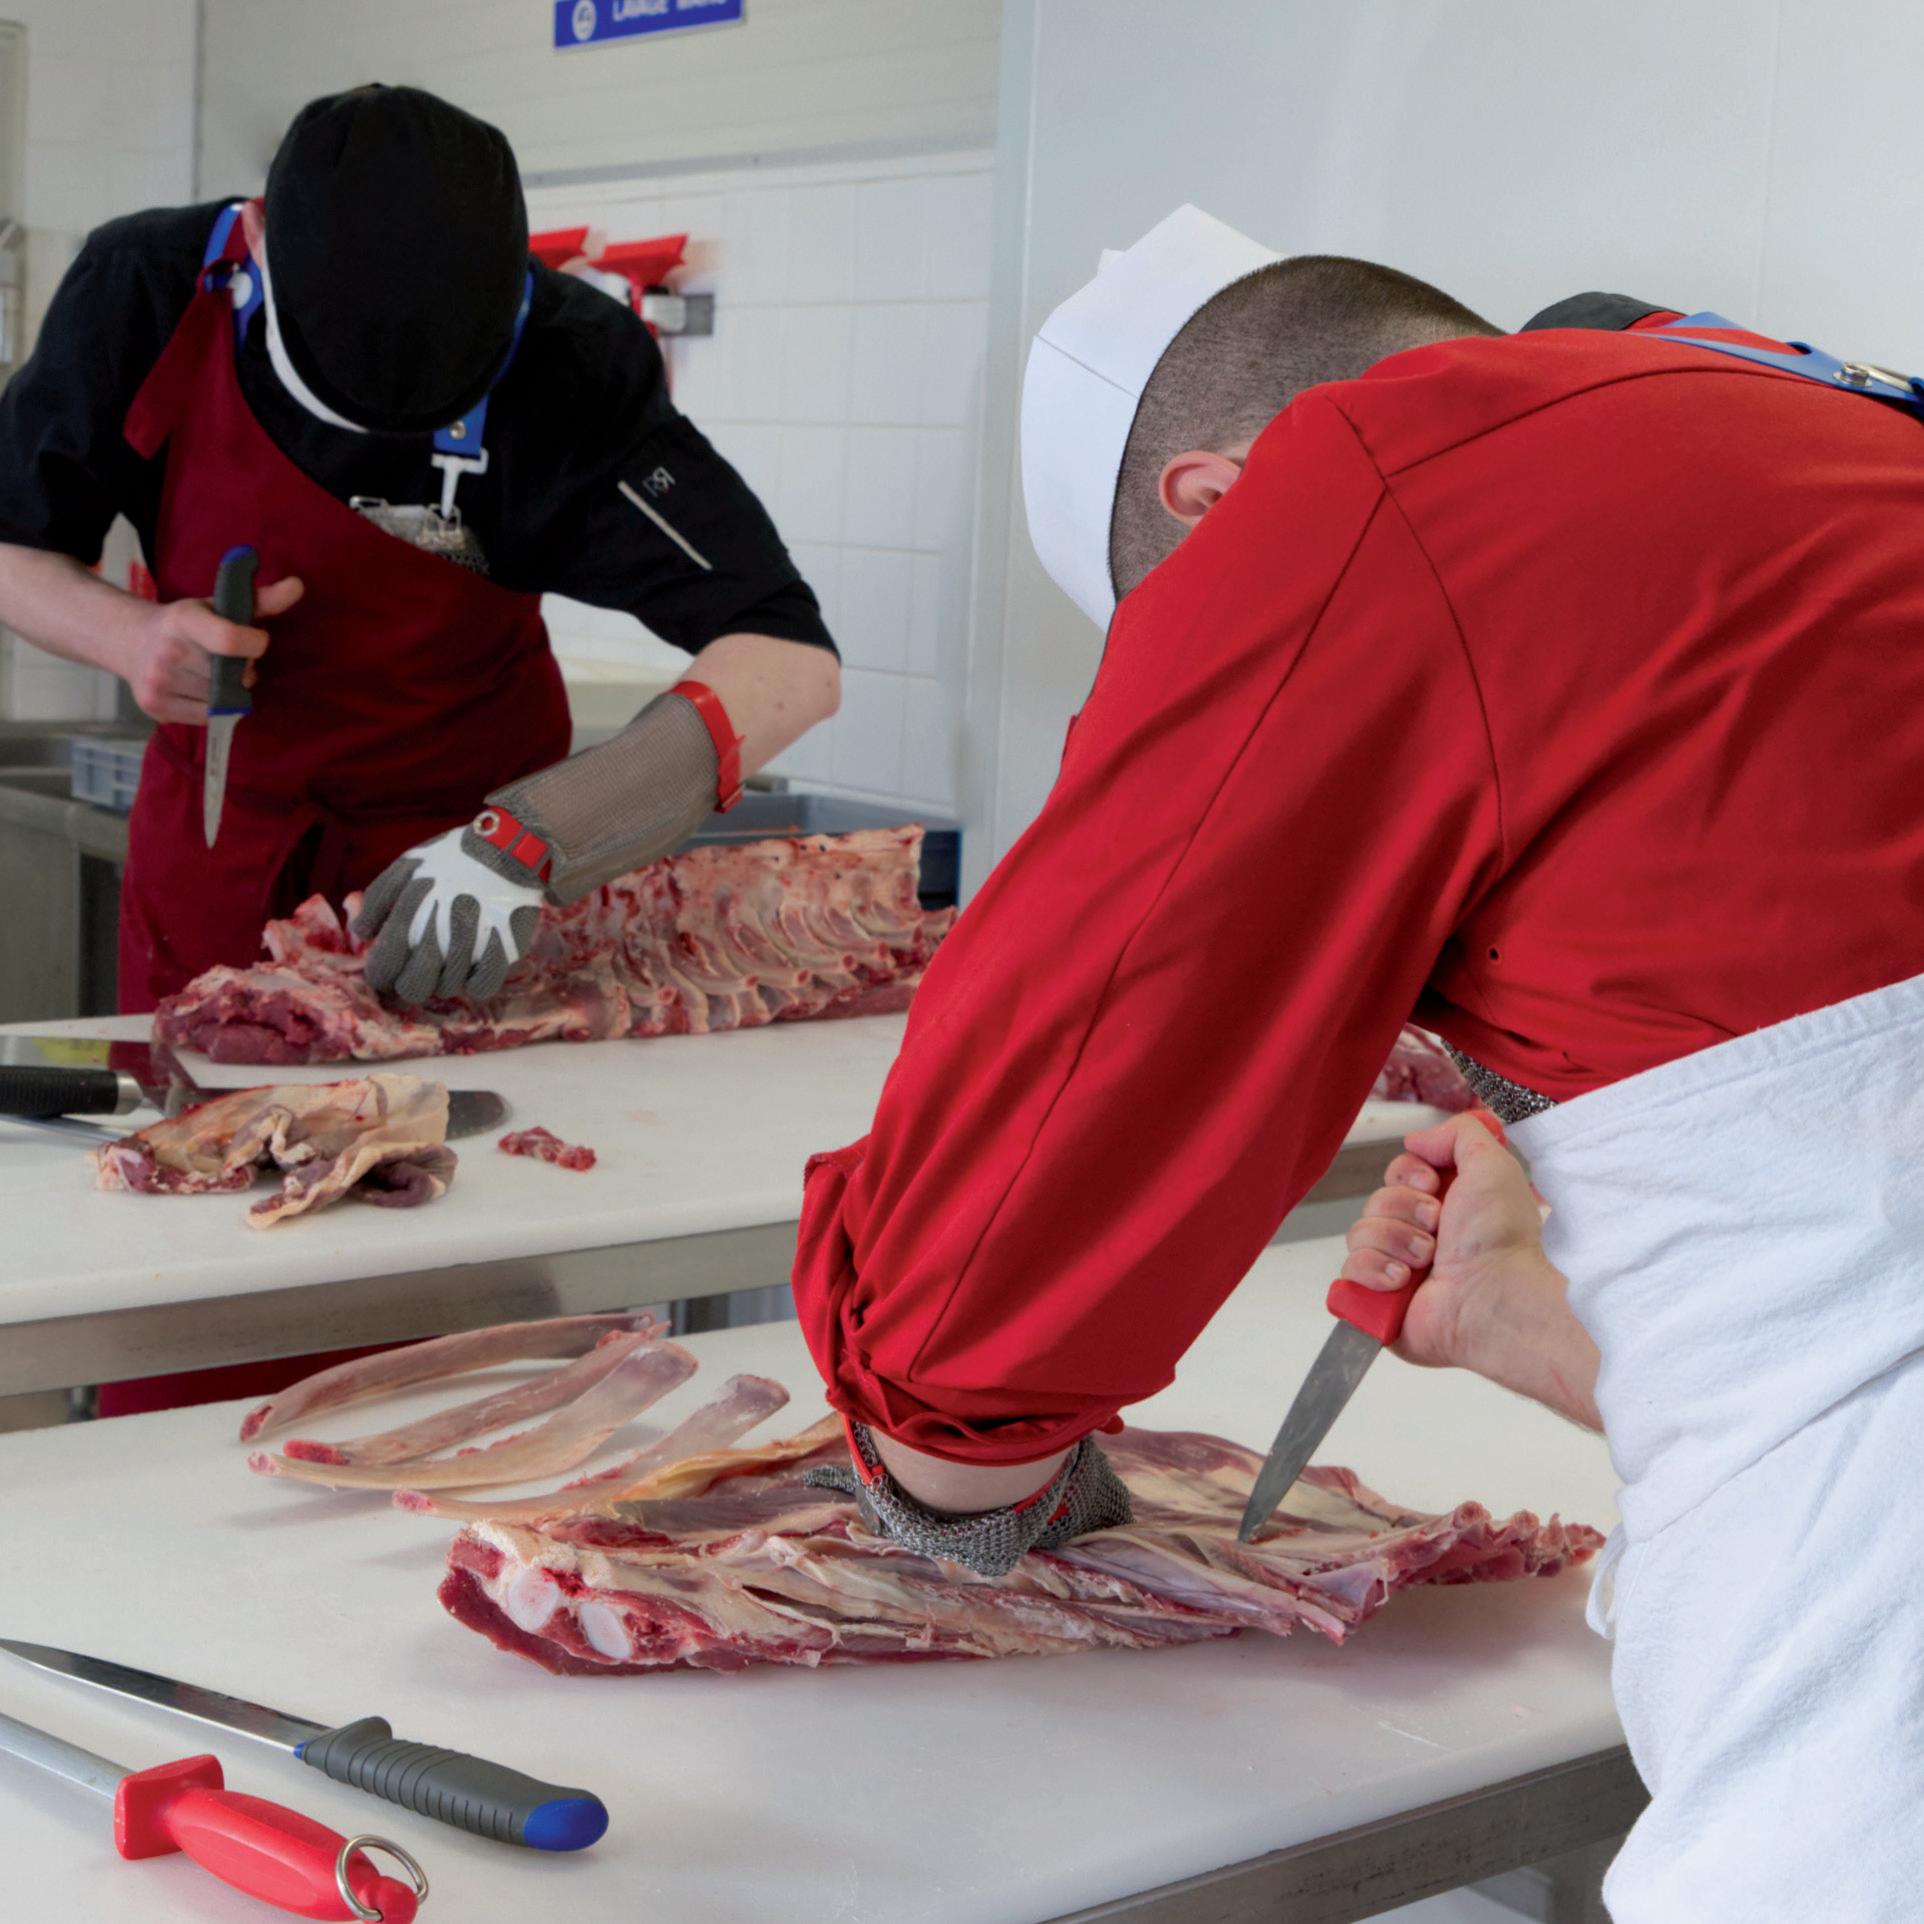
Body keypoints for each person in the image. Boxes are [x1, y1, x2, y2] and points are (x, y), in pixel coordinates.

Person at [792, 206, 1924, 1917]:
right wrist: (1539, 1322)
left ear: (1216, 506)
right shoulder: (1822, 419)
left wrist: (952, 1479)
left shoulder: (1378, 482)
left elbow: (1032, 1165)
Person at [0, 83, 839, 1013]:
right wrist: (130, 638)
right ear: (257, 236)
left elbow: (790, 655)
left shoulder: (573, 362)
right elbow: (11, 547)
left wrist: (541, 834)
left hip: (470, 884)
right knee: (199, 1102)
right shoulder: (145, 288)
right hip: (219, 848)